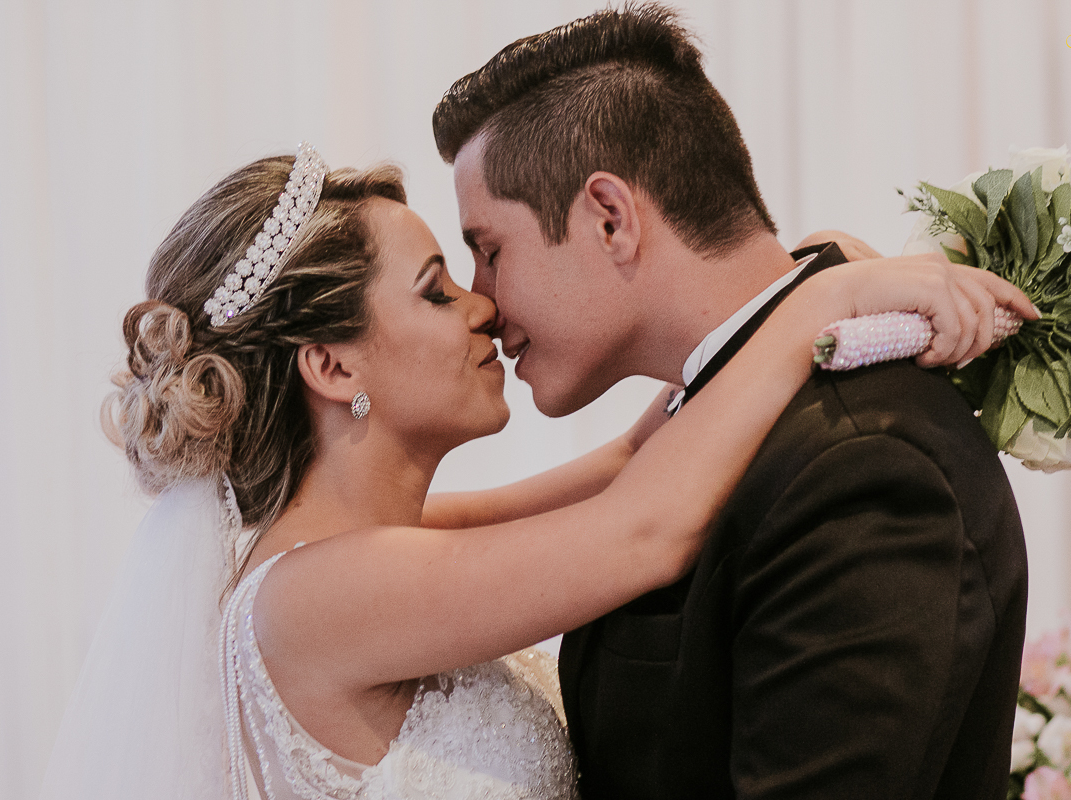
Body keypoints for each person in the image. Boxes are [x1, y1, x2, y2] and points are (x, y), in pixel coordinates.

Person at [37, 138, 1030, 800]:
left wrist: (798, 276)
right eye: (436, 291)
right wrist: (819, 305)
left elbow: (633, 463)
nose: (483, 307)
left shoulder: (367, 550)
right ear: (332, 368)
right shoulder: (313, 598)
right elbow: (644, 530)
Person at [431, 5, 1032, 799]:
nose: (480, 301)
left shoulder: (862, 465)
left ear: (610, 219)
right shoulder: (714, 418)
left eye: (489, 250)